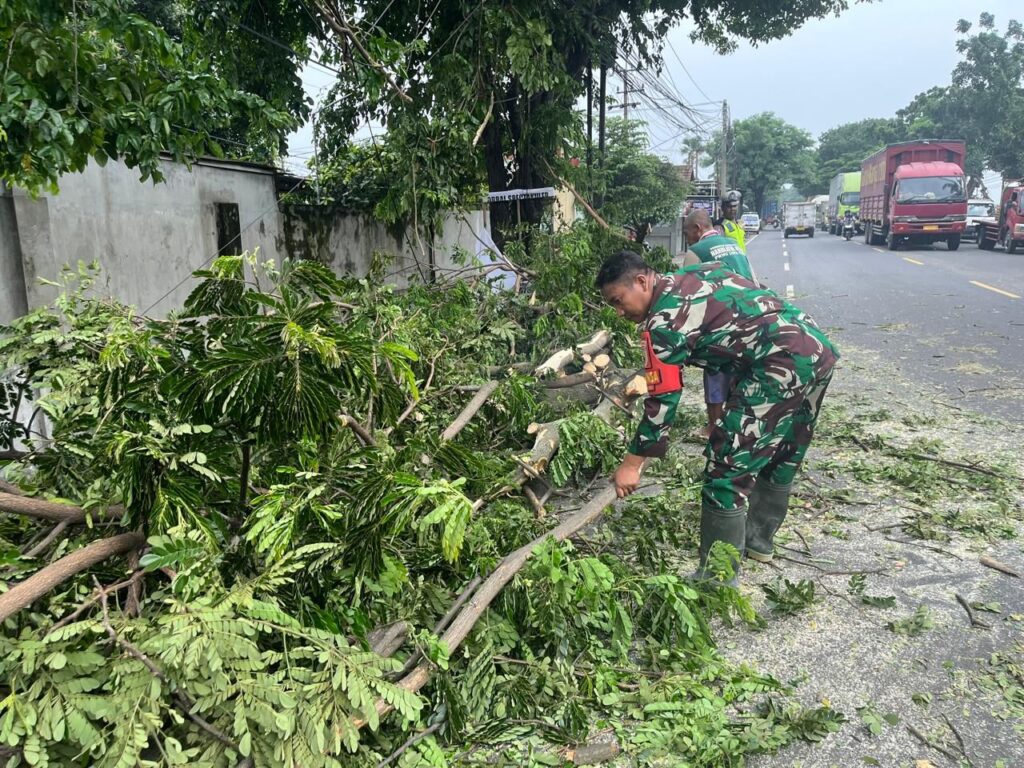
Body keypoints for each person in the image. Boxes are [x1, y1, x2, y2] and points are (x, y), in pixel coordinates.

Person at [596, 250, 838, 584]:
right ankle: (758, 541)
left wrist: (632, 464)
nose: (620, 312)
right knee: (783, 450)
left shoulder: (662, 323)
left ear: (642, 281)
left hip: (779, 366)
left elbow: (663, 400)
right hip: (816, 348)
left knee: (726, 470)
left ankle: (717, 579)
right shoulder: (699, 273)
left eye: (619, 301)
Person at [679, 208, 755, 437]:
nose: (687, 238)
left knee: (715, 367)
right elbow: (753, 278)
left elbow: (685, 294)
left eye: (687, 233)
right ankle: (737, 425)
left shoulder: (697, 251)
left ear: (697, 228)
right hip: (752, 314)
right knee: (741, 369)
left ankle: (713, 425)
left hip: (722, 317)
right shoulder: (734, 246)